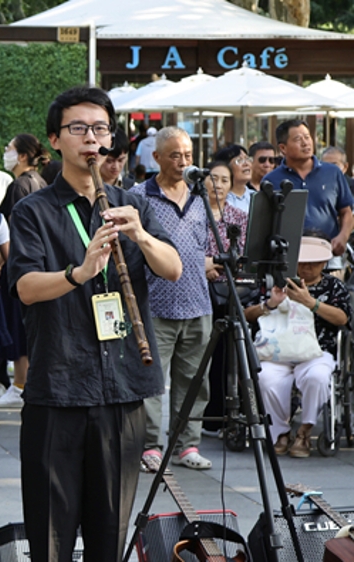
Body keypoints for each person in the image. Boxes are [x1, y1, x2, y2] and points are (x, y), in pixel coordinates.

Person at [9, 86, 180, 562]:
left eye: (100, 128)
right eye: (78, 128)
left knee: (111, 533)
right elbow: (24, 287)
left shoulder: (133, 205)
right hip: (58, 387)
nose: (91, 138)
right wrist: (78, 273)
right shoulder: (34, 210)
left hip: (122, 389)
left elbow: (173, 268)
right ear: (55, 140)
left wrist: (141, 234)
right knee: (51, 536)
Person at [131, 127, 214, 472]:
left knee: (195, 379)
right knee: (151, 381)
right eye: (175, 155)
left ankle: (186, 444)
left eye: (188, 155)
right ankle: (149, 445)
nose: (183, 162)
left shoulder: (201, 196)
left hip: (198, 301)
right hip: (156, 303)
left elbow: (203, 246)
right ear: (157, 158)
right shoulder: (139, 195)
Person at [243, 235, 351, 458]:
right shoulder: (275, 282)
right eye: (302, 262)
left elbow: (343, 319)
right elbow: (246, 313)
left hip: (318, 352)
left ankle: (305, 431)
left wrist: (311, 303)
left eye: (314, 263)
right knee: (266, 378)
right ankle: (280, 432)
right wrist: (269, 304)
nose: (308, 267)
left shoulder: (333, 286)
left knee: (318, 377)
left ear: (324, 264)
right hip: (276, 351)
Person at [0, 133, 50, 408]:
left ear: (23, 155)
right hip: (42, 264)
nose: (5, 151)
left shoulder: (19, 186)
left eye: (10, 148)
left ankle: (20, 383)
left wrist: (2, 263)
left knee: (18, 326)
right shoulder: (40, 181)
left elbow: (13, 231)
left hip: (22, 265)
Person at [264, 119, 354, 271]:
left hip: (328, 254)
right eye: (298, 139)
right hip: (289, 257)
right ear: (283, 148)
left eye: (307, 137)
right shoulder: (271, 180)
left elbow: (346, 212)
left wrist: (343, 237)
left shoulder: (332, 173)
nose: (305, 143)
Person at [200, 161, 249, 434]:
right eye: (213, 178)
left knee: (225, 353)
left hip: (228, 290)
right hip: (197, 289)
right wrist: (201, 267)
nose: (217, 184)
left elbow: (242, 254)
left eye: (223, 180)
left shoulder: (239, 217)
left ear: (231, 186)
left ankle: (226, 410)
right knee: (200, 354)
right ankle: (203, 415)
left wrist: (217, 266)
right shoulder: (194, 211)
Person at [213, 144, 254, 213]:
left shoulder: (256, 197)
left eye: (247, 159)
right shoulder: (218, 198)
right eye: (239, 160)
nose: (246, 163)